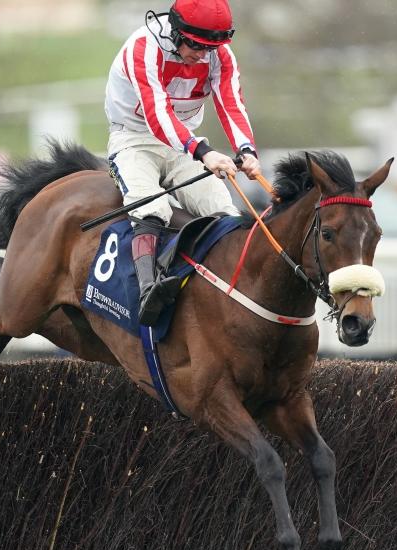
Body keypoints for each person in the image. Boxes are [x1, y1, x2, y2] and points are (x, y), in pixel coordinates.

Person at [105, 0, 262, 325]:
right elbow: (157, 113)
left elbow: (231, 102)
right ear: (176, 32)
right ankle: (148, 291)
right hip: (133, 139)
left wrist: (246, 150)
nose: (202, 55)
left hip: (184, 144)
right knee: (151, 208)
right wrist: (203, 151)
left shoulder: (220, 55)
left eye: (210, 48)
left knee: (222, 209)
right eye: (195, 45)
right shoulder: (144, 47)